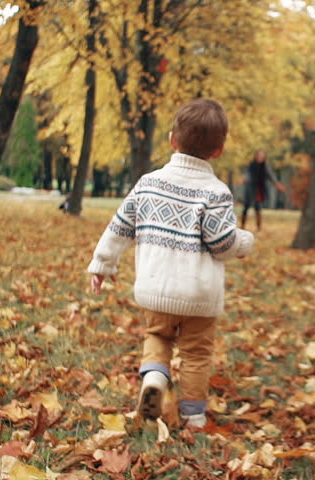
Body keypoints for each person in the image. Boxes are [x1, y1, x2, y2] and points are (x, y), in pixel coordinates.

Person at [88, 98, 253, 428]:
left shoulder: (148, 183)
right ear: (218, 151)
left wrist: (102, 263)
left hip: (155, 288)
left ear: (172, 140)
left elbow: (120, 225)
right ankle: (193, 418)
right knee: (195, 354)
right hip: (199, 296)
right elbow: (222, 244)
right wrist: (244, 242)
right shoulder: (217, 192)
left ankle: (154, 380)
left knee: (158, 337)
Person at [241, 150, 286, 231]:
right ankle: (242, 225)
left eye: (262, 156)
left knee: (257, 208)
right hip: (250, 188)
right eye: (259, 156)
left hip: (259, 189)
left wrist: (278, 185)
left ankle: (259, 227)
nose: (260, 158)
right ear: (256, 156)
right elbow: (247, 173)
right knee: (246, 207)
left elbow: (271, 177)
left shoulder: (265, 167)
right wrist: (245, 179)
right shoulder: (251, 165)